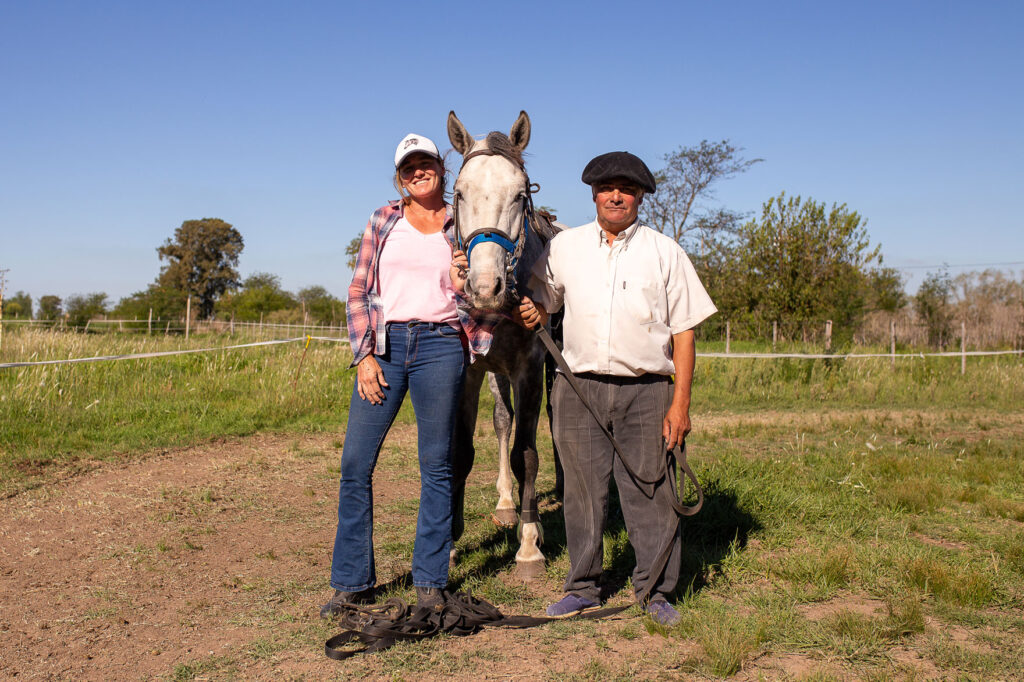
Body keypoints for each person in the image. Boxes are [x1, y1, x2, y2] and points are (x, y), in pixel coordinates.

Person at [515, 151, 717, 626]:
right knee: (581, 493)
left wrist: (680, 404)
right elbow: (544, 301)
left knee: (651, 491)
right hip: (577, 387)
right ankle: (583, 587)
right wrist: (533, 312)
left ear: (640, 196)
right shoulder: (565, 248)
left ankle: (655, 592)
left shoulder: (665, 252)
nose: (616, 196)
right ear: (594, 194)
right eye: (607, 188)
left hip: (647, 391)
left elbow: (685, 332)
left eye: (627, 189)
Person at [321, 133, 470, 618]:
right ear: (400, 177)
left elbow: (477, 297)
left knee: (437, 465)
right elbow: (358, 290)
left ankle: (430, 581)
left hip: (441, 345)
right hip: (385, 350)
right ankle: (352, 582)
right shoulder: (382, 219)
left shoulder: (463, 223)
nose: (418, 172)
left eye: (426, 163)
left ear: (441, 169)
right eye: (409, 167)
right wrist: (364, 355)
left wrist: (464, 283)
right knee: (355, 463)